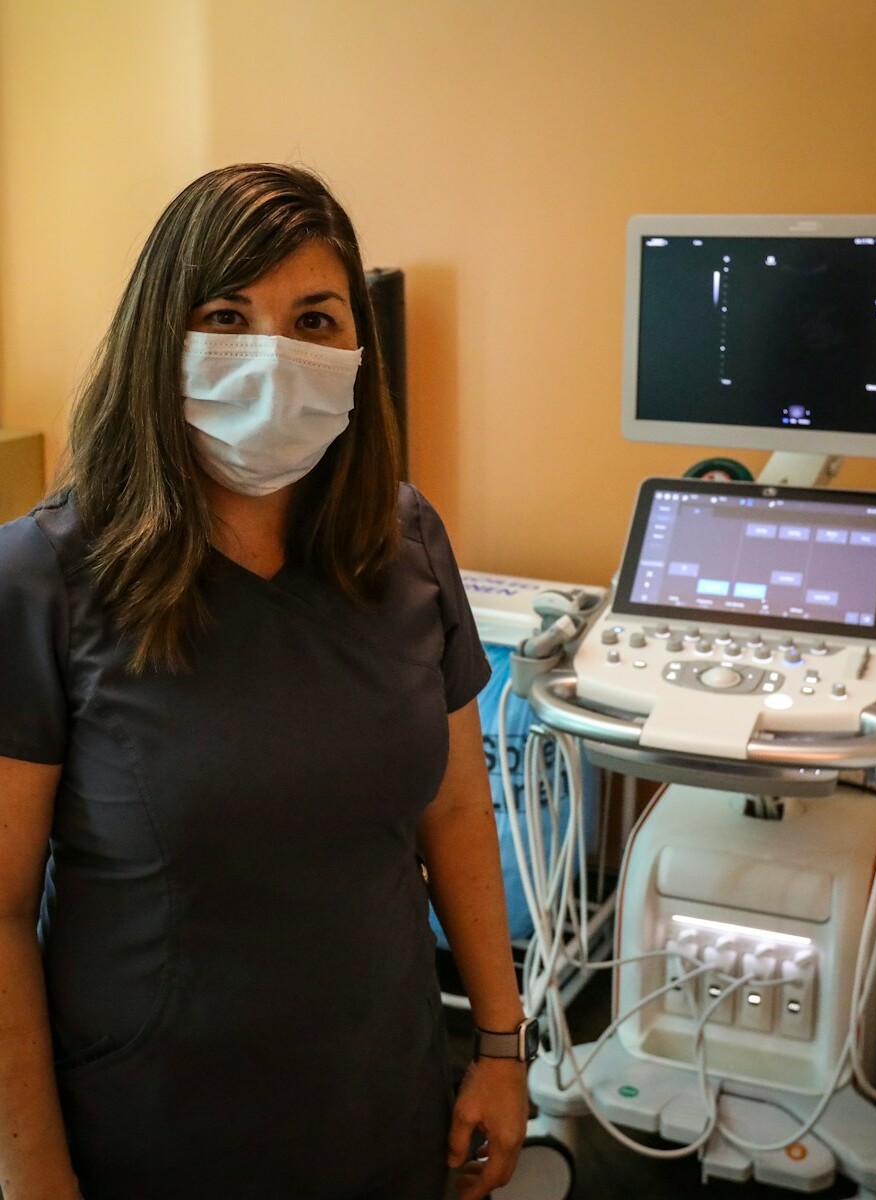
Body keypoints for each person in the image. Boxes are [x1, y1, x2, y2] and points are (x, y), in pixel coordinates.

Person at [0, 164, 531, 1200]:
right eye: (227, 315)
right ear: (164, 337)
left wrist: (504, 1050)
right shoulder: (43, 579)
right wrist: (33, 1174)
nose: (275, 358)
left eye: (316, 320)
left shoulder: (407, 541)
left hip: (382, 1110)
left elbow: (459, 809)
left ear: (357, 350)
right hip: (150, 1131)